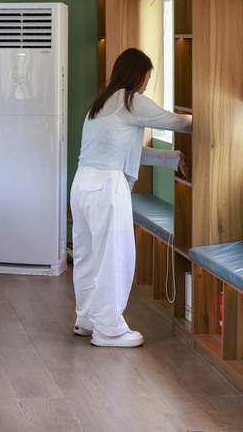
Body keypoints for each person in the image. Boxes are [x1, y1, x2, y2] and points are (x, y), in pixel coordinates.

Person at [71, 48, 192, 348]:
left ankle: (87, 320)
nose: (147, 86)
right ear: (136, 75)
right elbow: (176, 122)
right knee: (115, 257)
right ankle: (109, 330)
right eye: (147, 78)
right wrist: (209, 115)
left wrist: (173, 158)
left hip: (83, 182)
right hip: (107, 186)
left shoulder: (100, 104)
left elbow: (127, 151)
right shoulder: (130, 100)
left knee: (88, 257)